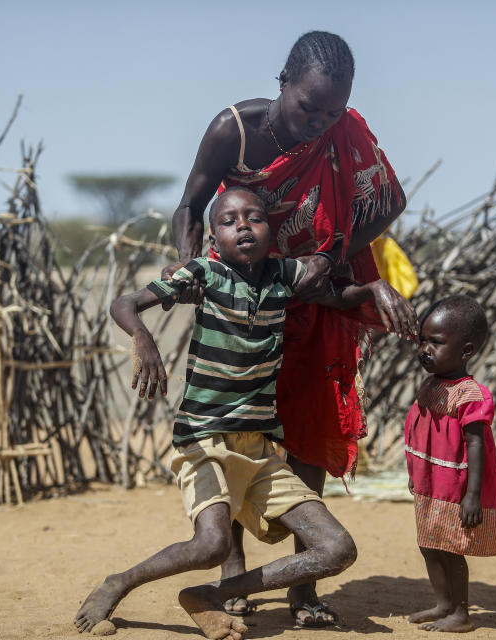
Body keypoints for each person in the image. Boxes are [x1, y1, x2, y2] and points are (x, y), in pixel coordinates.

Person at [74, 188, 410, 638]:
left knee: (337, 549)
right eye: (230, 221)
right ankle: (119, 583)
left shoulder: (282, 274)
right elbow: (125, 303)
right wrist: (142, 337)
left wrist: (374, 286)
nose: (244, 226)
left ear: (273, 231)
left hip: (260, 449)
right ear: (214, 236)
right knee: (211, 543)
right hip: (204, 440)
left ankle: (214, 594)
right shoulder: (205, 273)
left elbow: (337, 297)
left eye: (254, 218)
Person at [168, 30, 415, 626]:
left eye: (334, 110)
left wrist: (333, 255)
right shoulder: (237, 130)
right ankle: (231, 575)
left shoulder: (343, 133)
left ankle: (305, 588)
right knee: (234, 426)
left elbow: (390, 201)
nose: (321, 122)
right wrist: (191, 265)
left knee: (307, 426)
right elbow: (191, 205)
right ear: (283, 83)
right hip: (247, 297)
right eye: (310, 107)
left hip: (318, 295)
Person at [404, 295, 496, 633]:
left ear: (466, 350)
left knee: (450, 548)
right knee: (429, 543)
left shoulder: (470, 395)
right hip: (432, 483)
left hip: (456, 488)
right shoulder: (432, 384)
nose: (425, 349)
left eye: (437, 342)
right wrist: (415, 474)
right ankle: (443, 603)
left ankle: (461, 612)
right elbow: (421, 432)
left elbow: (477, 446)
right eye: (422, 340)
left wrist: (472, 496)